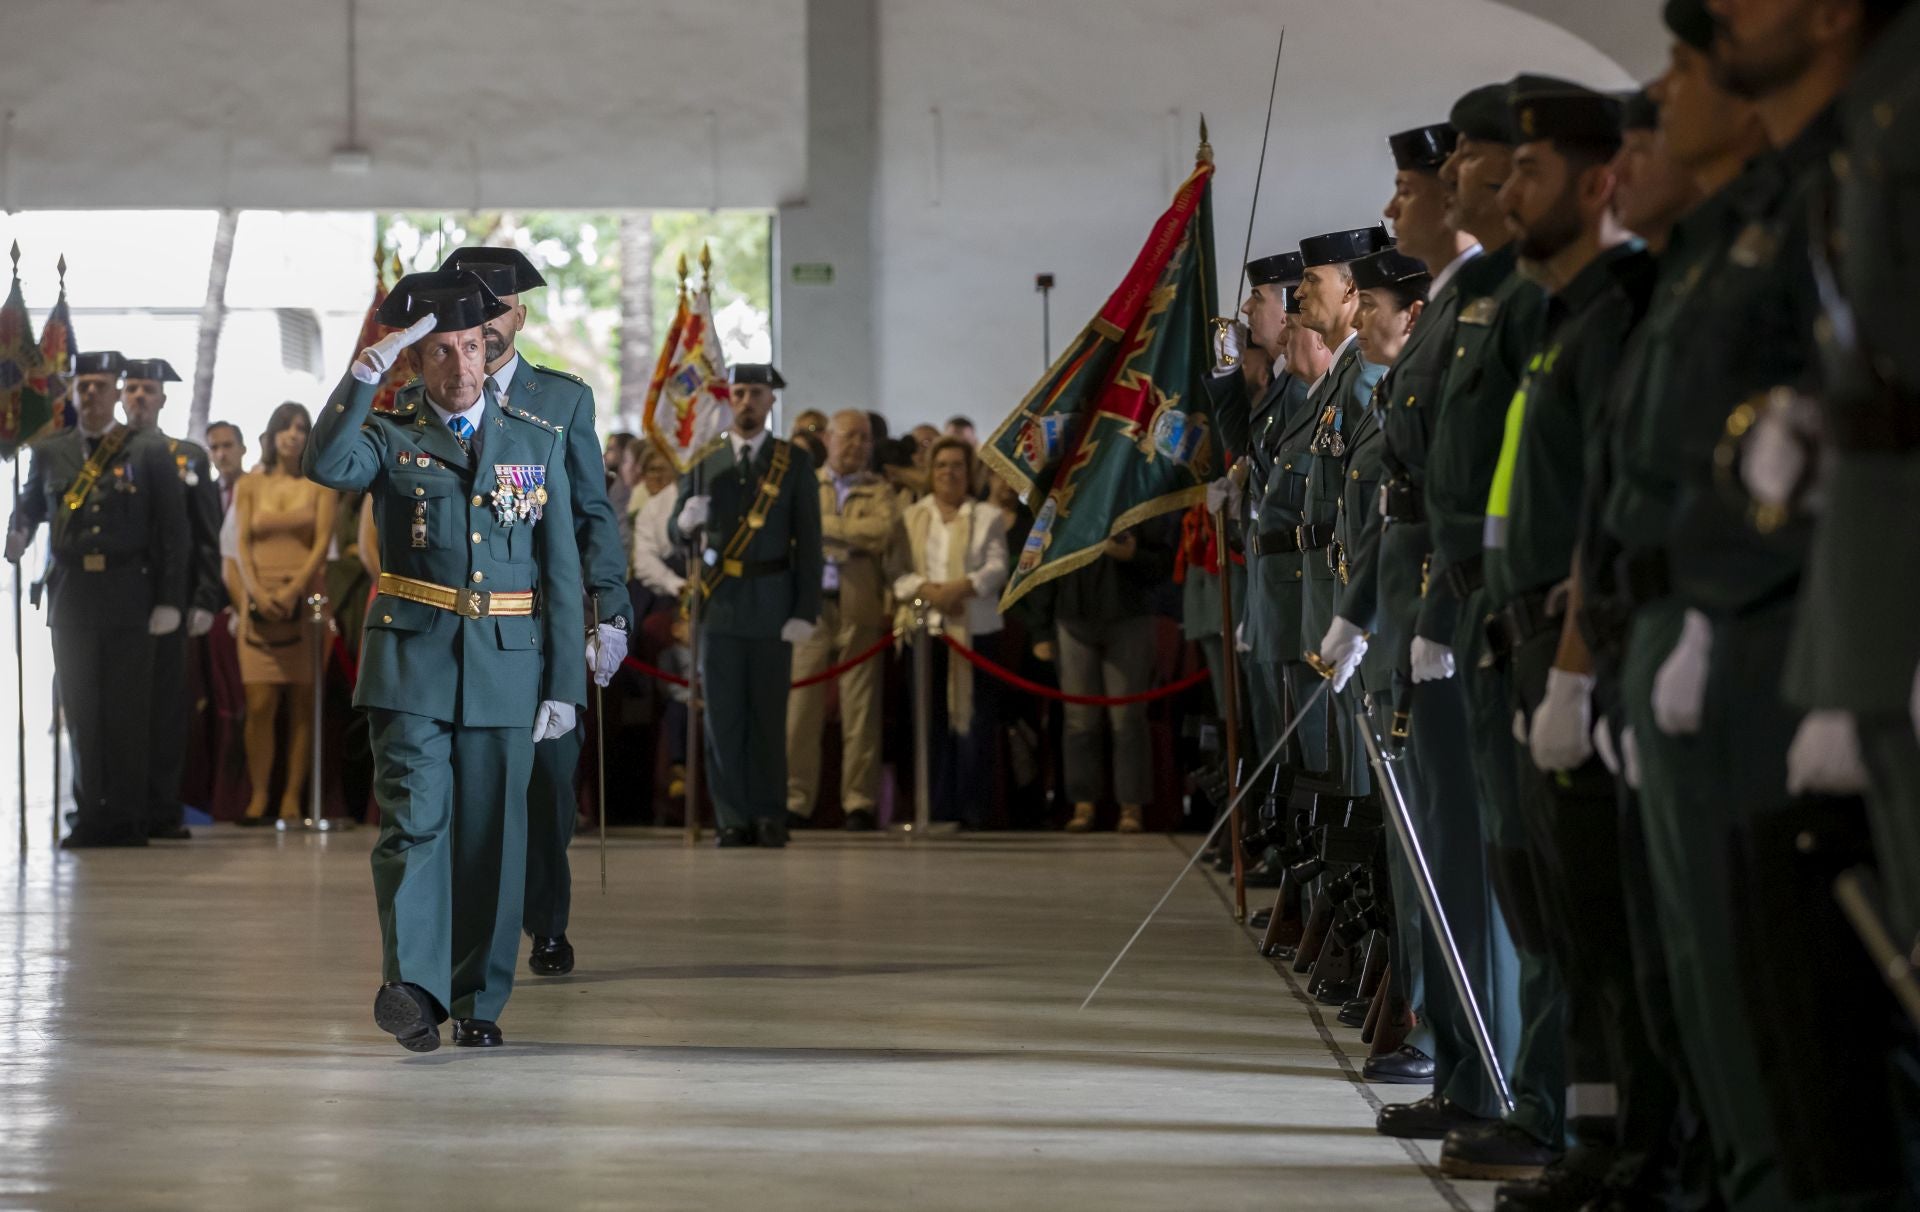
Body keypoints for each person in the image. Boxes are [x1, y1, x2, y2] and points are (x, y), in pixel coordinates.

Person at [307, 268, 585, 1052]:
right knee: (414, 826)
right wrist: (362, 376)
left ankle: (478, 999)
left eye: (472, 349)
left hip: (507, 665)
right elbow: (327, 467)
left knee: (493, 841)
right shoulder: (391, 435)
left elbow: (558, 569)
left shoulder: (535, 438)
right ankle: (414, 989)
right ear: (417, 363)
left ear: (489, 349)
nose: (460, 368)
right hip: (412, 667)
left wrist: (565, 684)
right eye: (442, 354)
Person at [440, 246, 632, 979]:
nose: (485, 323)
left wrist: (608, 611)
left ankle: (547, 920)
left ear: (519, 314)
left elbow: (591, 512)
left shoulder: (562, 400)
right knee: (473, 787)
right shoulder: (434, 394)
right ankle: (472, 932)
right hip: (468, 629)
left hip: (546, 627)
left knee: (550, 785)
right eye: (472, 306)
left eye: (496, 307)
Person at [5, 350, 189, 848]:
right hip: (73, 599)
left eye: (100, 385)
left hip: (131, 593)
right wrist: (16, 534)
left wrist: (171, 599)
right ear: (73, 390)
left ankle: (127, 817)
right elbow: (27, 509)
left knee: (128, 714)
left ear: (115, 391)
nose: (91, 394)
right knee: (83, 713)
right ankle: (90, 815)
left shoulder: (148, 451)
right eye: (83, 385)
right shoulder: (50, 452)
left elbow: (173, 532)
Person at [670, 364, 824, 848]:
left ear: (771, 400)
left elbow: (810, 540)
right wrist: (684, 523)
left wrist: (805, 608)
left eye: (756, 393)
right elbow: (678, 532)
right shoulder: (705, 458)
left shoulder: (792, 462)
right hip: (719, 604)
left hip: (774, 602)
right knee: (723, 718)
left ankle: (769, 813)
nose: (746, 401)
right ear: (728, 399)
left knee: (769, 717)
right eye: (738, 392)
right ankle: (731, 817)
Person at [117, 357, 225, 839]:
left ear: (163, 399)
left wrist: (204, 598)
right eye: (132, 388)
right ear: (122, 397)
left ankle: (161, 807)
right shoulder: (103, 453)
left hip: (172, 602)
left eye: (148, 389)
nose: (139, 396)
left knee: (165, 708)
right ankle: (117, 806)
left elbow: (207, 535)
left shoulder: (189, 456)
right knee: (115, 708)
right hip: (116, 601)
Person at [786, 409, 902, 831]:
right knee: (800, 708)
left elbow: (882, 532)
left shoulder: (879, 490)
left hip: (859, 605)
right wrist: (846, 533)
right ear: (830, 440)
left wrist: (828, 531)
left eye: (864, 438)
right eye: (849, 437)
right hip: (811, 606)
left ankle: (860, 802)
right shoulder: (805, 482)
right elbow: (796, 533)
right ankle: (796, 799)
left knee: (861, 711)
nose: (856, 445)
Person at [1025, 516, 1175, 834]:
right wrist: (1040, 630)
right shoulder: (1071, 489)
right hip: (1072, 614)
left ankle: (1131, 806)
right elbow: (1045, 563)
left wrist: (1132, 556)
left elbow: (1163, 564)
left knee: (1128, 718)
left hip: (1128, 615)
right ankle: (1083, 803)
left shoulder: (1139, 492)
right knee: (1079, 719)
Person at [894, 436, 1010, 827]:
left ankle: (973, 811)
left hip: (976, 632)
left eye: (957, 465)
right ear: (931, 471)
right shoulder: (912, 515)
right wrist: (930, 592)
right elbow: (896, 571)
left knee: (974, 723)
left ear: (969, 472)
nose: (948, 472)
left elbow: (997, 567)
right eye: (941, 464)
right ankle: (935, 807)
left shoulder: (988, 516)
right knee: (930, 724)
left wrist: (961, 588)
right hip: (927, 633)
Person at [232, 402, 337, 827]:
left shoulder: (320, 482)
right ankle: (259, 797)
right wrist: (255, 590)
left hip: (306, 600)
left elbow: (322, 542)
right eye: (285, 428)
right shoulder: (249, 485)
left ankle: (292, 798)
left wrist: (294, 589)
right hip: (257, 600)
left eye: (300, 428)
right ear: (272, 435)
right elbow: (240, 542)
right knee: (259, 704)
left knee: (301, 704)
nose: (293, 435)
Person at [206, 420, 247, 513]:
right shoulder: (204, 495)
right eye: (214, 448)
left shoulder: (260, 489)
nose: (221, 455)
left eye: (227, 445)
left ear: (243, 449)